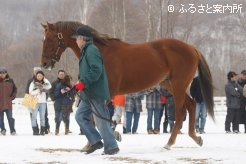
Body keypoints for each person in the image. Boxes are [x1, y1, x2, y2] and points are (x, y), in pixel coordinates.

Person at [73, 26, 119, 155]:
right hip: (87, 93)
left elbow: (96, 70)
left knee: (101, 121)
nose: (76, 41)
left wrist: (83, 83)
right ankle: (95, 141)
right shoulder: (86, 50)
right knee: (80, 116)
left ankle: (111, 147)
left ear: (82, 38)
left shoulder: (91, 50)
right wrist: (77, 85)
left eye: (77, 38)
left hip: (95, 92)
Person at [25, 67, 50, 134]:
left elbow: (48, 89)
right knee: (33, 116)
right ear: (33, 72)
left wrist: (46, 98)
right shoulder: (31, 80)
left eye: (38, 71)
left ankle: (45, 129)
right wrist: (28, 102)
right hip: (33, 100)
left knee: (44, 116)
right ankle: (35, 130)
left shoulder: (45, 80)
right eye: (35, 71)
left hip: (43, 101)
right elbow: (27, 91)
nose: (37, 72)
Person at [49, 70, 72, 134]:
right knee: (57, 116)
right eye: (60, 74)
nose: (61, 75)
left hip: (66, 102)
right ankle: (57, 129)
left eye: (62, 74)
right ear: (58, 75)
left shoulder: (68, 83)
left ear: (64, 75)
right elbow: (50, 92)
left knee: (66, 116)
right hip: (58, 101)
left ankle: (67, 129)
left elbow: (72, 91)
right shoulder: (54, 83)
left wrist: (70, 96)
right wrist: (54, 98)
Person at [0, 67, 17, 135]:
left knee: (10, 118)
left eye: (4, 73)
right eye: (1, 73)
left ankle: (12, 130)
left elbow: (15, 89)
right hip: (0, 103)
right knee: (0, 118)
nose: (2, 74)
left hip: (8, 103)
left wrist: (12, 97)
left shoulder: (10, 80)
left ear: (6, 73)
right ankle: (3, 130)